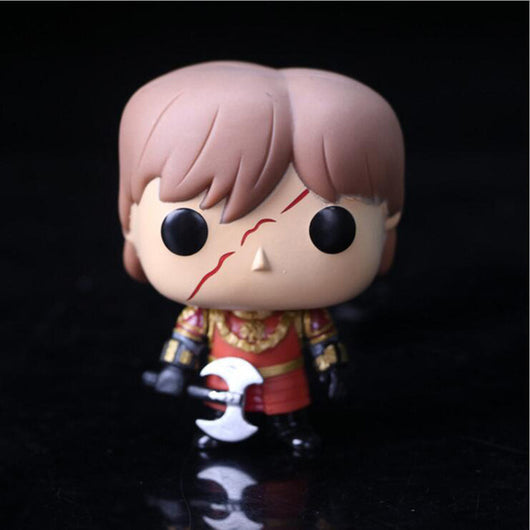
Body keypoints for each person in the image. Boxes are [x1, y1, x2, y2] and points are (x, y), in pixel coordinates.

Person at [118, 61, 404, 456]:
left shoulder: (305, 314)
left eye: (331, 230)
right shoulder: (205, 314)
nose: (259, 260)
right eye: (188, 230)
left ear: (388, 222)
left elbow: (322, 337)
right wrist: (174, 368)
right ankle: (221, 426)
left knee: (287, 402)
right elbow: (185, 338)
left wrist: (332, 366)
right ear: (131, 224)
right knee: (224, 402)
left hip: (284, 374)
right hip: (224, 377)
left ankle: (290, 425)